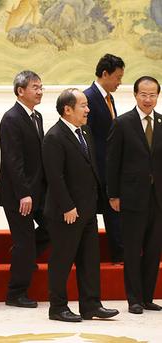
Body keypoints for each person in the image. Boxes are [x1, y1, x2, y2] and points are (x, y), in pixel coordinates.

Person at [43, 88, 119, 322]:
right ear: (67, 109)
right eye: (83, 105)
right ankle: (57, 307)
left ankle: (91, 305)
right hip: (65, 212)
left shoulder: (84, 132)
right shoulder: (54, 136)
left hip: (87, 209)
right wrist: (67, 206)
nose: (88, 109)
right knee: (62, 261)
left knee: (89, 260)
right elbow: (55, 177)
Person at [106, 76, 162, 314]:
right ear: (135, 95)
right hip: (131, 197)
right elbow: (112, 162)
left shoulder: (161, 122)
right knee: (132, 248)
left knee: (153, 249)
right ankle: (134, 299)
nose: (148, 99)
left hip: (158, 198)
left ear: (158, 96)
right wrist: (113, 195)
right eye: (144, 94)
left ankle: (148, 297)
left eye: (153, 95)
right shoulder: (123, 123)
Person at [0, 70, 49, 308]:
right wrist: (24, 193)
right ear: (20, 91)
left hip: (37, 192)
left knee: (52, 227)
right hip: (18, 195)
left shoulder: (35, 117)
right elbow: (13, 160)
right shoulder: (11, 118)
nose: (40, 91)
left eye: (41, 87)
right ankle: (15, 293)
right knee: (25, 243)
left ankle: (23, 257)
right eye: (35, 87)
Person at [84, 54, 125, 264]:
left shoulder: (109, 98)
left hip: (110, 168)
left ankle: (120, 254)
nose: (120, 82)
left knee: (114, 211)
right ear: (105, 74)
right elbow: (87, 136)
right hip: (96, 169)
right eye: (117, 77)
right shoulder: (87, 98)